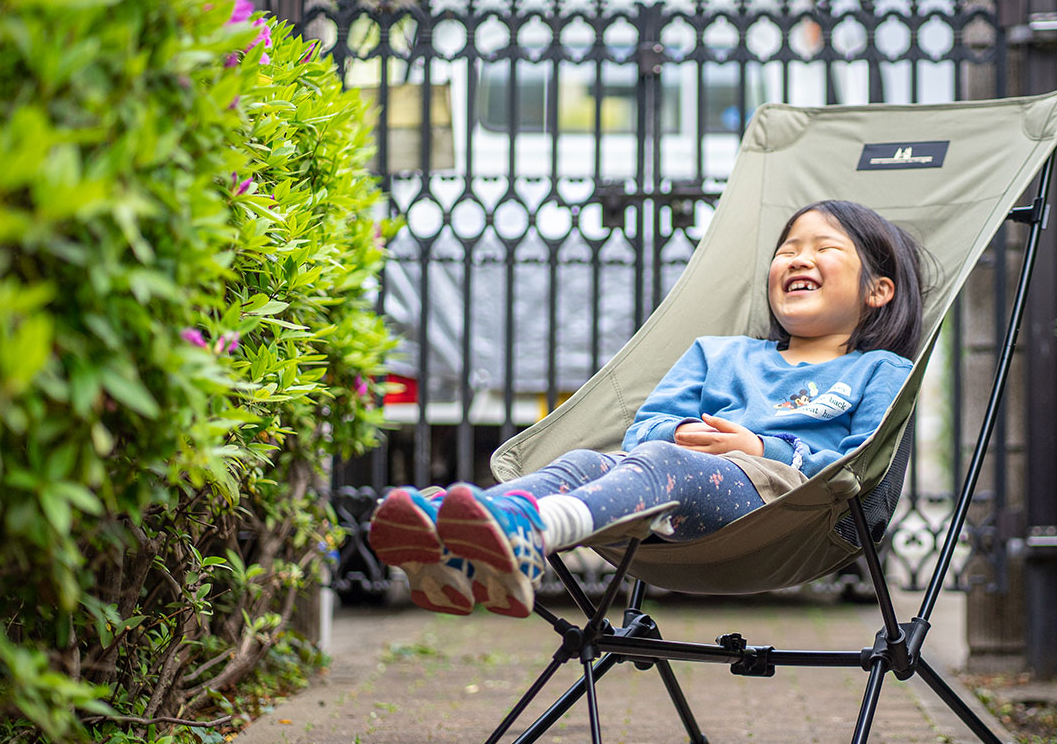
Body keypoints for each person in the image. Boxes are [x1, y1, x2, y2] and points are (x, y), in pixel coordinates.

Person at [369, 199, 928, 618]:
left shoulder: (881, 372)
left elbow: (860, 462)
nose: (798, 258)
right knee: (587, 461)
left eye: (823, 248)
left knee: (664, 462)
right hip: (672, 489)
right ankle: (462, 539)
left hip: (787, 507)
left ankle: (528, 532)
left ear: (878, 291)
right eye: (788, 249)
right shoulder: (719, 353)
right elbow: (646, 430)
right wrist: (685, 432)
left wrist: (761, 448)